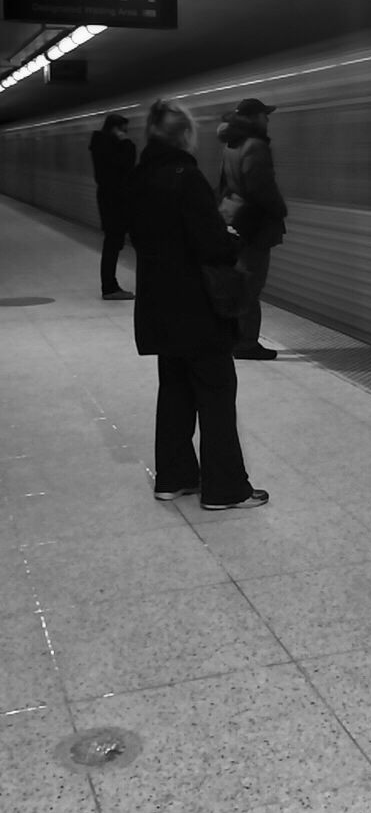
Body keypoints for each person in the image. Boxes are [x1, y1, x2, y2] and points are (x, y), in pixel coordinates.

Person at [127, 98, 269, 510]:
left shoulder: (139, 176)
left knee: (174, 390)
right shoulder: (184, 176)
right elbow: (211, 245)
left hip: (158, 305)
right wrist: (231, 234)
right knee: (217, 392)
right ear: (185, 135)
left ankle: (173, 479)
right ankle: (226, 489)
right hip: (197, 306)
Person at [216, 97, 287, 360]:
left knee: (243, 281)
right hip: (255, 225)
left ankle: (237, 337)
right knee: (251, 285)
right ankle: (246, 343)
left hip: (237, 219)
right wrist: (280, 210)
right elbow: (261, 187)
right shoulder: (255, 145)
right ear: (254, 117)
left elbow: (224, 183)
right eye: (264, 115)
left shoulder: (231, 143)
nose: (267, 119)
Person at [89, 112, 136, 299]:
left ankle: (109, 285)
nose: (126, 133)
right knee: (113, 243)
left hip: (108, 199)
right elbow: (127, 165)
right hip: (116, 201)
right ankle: (109, 287)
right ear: (116, 129)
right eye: (124, 130)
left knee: (112, 243)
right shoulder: (114, 148)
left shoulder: (99, 145)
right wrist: (125, 143)